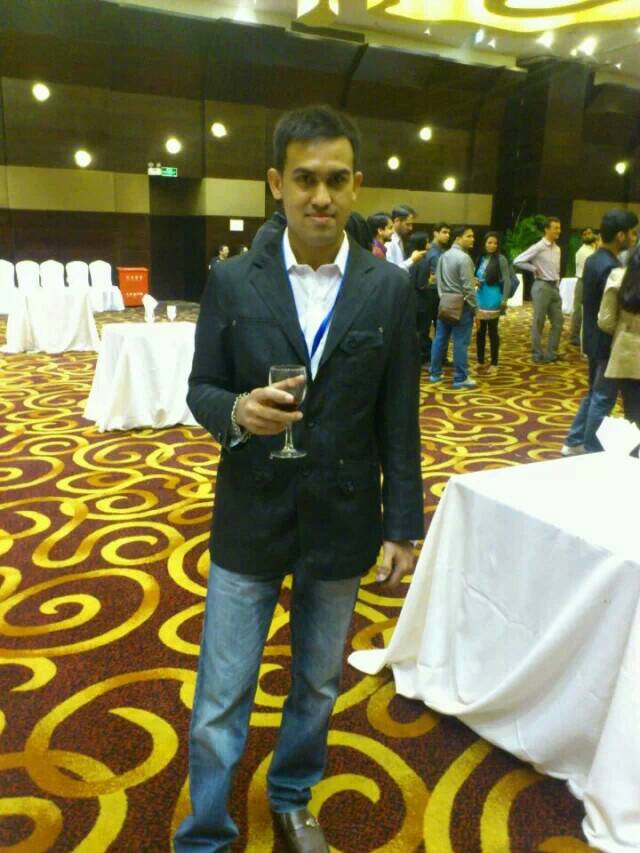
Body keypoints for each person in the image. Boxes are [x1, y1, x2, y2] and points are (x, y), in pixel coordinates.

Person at [174, 105, 424, 853]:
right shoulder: (232, 280)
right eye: (306, 179)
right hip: (251, 512)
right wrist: (236, 410)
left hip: (343, 516)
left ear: (356, 186)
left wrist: (402, 524)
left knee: (316, 683)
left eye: (336, 180)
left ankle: (291, 797)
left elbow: (399, 418)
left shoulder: (389, 288)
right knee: (222, 692)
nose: (322, 196)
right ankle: (206, 831)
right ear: (276, 183)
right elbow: (200, 388)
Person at [561, 208, 638, 456]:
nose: (634, 238)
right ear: (620, 235)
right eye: (632, 233)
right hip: (606, 340)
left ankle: (574, 440)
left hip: (593, 337)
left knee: (596, 394)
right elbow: (611, 313)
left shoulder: (595, 258)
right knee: (603, 397)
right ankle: (591, 448)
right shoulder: (610, 267)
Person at [429, 225, 478, 389]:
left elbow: (438, 280)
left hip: (445, 302)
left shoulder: (443, 256)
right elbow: (468, 288)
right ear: (458, 238)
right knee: (460, 342)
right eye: (469, 236)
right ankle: (460, 377)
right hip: (462, 304)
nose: (472, 239)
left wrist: (443, 297)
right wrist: (475, 308)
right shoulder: (464, 258)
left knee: (440, 339)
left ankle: (435, 373)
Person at [597, 243, 640, 427]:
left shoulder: (619, 277)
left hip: (628, 350)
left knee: (633, 411)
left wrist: (625, 330)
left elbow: (605, 320)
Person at [513, 216, 562, 363]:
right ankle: (537, 353)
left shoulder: (558, 249)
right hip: (541, 286)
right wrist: (533, 268)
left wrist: (557, 283)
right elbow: (517, 260)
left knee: (558, 322)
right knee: (539, 321)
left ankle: (552, 353)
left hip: (554, 287)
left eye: (559, 228)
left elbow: (556, 269)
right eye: (555, 228)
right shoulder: (539, 246)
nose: (558, 231)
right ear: (547, 229)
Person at [413, 222, 451, 365]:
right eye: (444, 232)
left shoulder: (442, 251)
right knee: (426, 328)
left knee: (441, 327)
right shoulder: (428, 252)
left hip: (438, 293)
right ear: (435, 233)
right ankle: (428, 357)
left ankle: (438, 357)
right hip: (430, 294)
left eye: (449, 233)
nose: (447, 235)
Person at [474, 231, 510, 373]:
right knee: (480, 331)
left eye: (495, 243)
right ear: (484, 243)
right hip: (480, 296)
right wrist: (475, 280)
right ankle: (480, 360)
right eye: (490, 242)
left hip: (493, 296)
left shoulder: (501, 259)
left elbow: (507, 280)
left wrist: (505, 298)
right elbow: (475, 274)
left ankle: (494, 363)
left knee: (493, 331)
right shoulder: (480, 258)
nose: (492, 245)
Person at [569, 226, 597, 347]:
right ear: (582, 237)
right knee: (579, 311)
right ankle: (575, 336)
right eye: (585, 234)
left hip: (590, 282)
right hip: (583, 282)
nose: (588, 235)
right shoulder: (583, 251)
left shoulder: (593, 250)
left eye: (590, 233)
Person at [407, 231, 431, 364]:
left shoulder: (409, 257)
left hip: (409, 298)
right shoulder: (423, 260)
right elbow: (421, 285)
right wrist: (430, 281)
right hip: (421, 300)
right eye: (427, 241)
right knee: (422, 330)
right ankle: (422, 357)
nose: (429, 244)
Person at [386, 205, 426, 270]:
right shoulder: (389, 241)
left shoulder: (400, 238)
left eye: (412, 224)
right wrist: (412, 260)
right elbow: (391, 270)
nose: (411, 228)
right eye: (407, 224)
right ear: (397, 221)